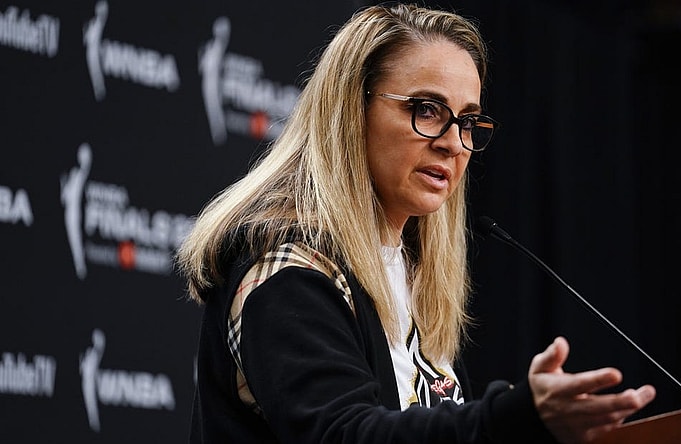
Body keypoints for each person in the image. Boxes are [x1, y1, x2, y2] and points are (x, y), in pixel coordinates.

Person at [176, 3, 656, 443]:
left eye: (468, 121)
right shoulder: (286, 274)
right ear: (351, 110)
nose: (454, 143)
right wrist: (510, 418)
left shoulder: (411, 275)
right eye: (426, 110)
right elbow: (346, 435)